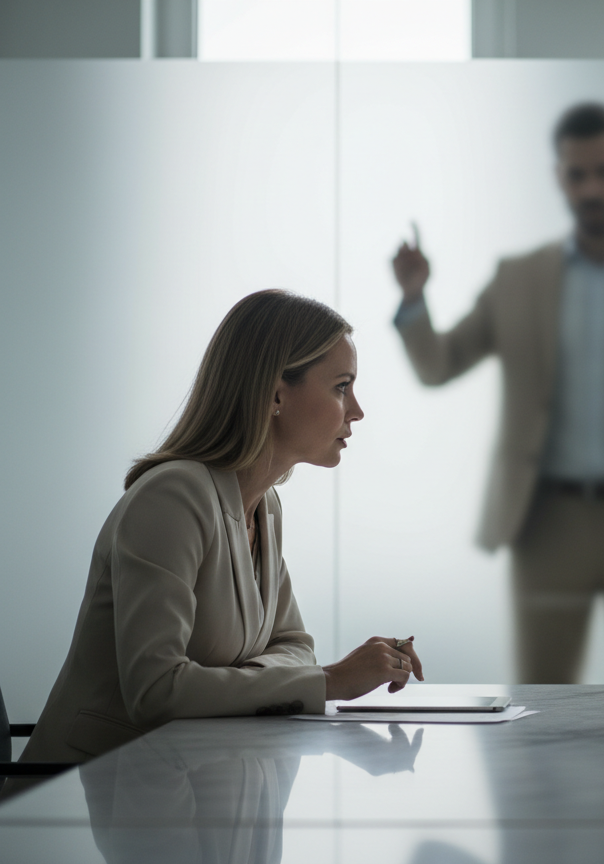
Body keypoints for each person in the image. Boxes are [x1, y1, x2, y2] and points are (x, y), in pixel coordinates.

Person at [390, 102, 604, 684]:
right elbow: (439, 365)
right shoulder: (517, 279)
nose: (592, 187)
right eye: (577, 175)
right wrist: (413, 299)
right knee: (539, 707)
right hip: (544, 520)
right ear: (560, 178)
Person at [19, 290, 423, 767]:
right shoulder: (173, 497)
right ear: (275, 394)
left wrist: (233, 683)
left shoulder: (265, 506)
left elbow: (295, 645)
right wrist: (330, 682)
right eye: (341, 386)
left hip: (191, 781)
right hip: (84, 802)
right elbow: (156, 690)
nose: (356, 410)